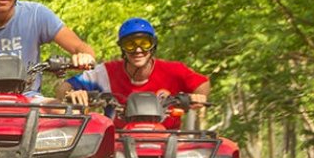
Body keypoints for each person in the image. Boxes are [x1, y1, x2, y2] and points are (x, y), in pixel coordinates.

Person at [59, 17, 210, 126]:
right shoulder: (105, 72)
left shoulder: (173, 70)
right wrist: (71, 95)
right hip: (117, 143)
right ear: (122, 48)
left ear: (153, 45)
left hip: (168, 140)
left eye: (144, 43)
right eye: (130, 44)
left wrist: (199, 97)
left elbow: (202, 83)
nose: (138, 50)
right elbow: (63, 88)